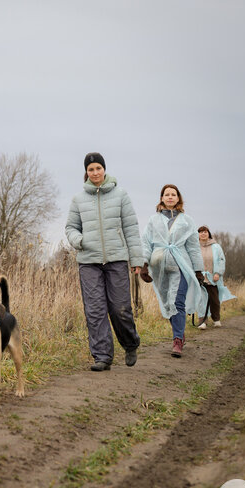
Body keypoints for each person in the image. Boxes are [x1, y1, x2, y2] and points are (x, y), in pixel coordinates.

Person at [65, 152, 143, 371]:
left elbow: (131, 228)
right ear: (86, 173)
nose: (95, 172)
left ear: (104, 169)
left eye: (98, 168)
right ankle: (102, 356)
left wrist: (136, 258)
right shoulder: (78, 199)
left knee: (120, 308)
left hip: (117, 259)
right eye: (91, 169)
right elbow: (71, 227)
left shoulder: (121, 195)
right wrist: (79, 240)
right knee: (95, 309)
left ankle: (130, 343)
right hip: (88, 261)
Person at [140, 184, 207, 358]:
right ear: (161, 198)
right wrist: (144, 264)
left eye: (173, 194)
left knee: (178, 302)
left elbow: (193, 246)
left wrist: (198, 270)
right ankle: (180, 332)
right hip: (159, 267)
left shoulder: (187, 221)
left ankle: (177, 339)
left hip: (181, 265)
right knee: (168, 304)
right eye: (166, 194)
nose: (170, 197)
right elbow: (147, 242)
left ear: (178, 198)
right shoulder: (153, 220)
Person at [197, 225, 236, 329]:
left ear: (209, 233)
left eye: (205, 232)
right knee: (201, 300)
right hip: (199, 277)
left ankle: (216, 319)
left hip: (213, 277)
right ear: (198, 235)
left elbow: (221, 260)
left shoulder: (216, 246)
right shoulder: (195, 247)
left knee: (214, 299)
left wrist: (218, 273)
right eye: (201, 232)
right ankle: (203, 321)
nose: (203, 234)